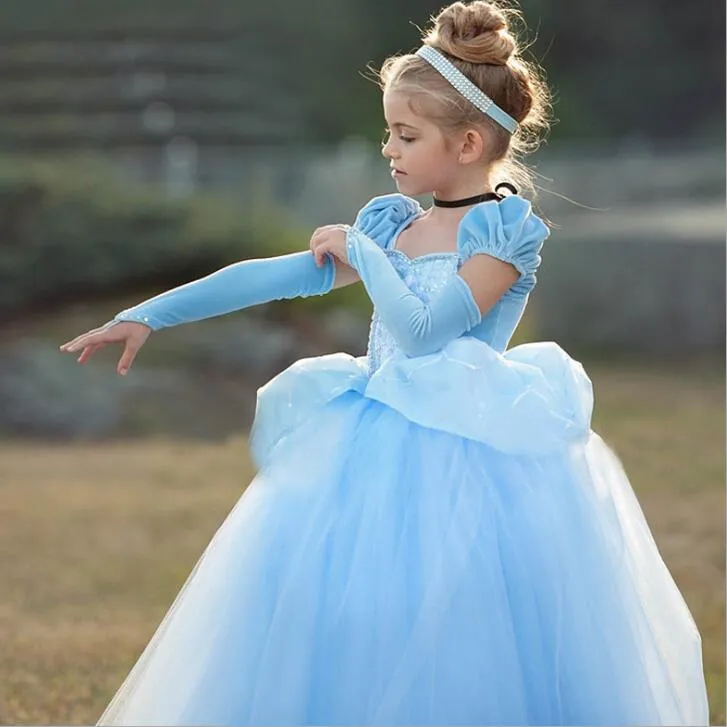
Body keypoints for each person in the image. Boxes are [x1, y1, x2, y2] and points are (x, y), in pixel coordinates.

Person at [59, 2, 709, 725]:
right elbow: (269, 275)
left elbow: (427, 331)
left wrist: (364, 255)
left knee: (455, 629)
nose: (388, 149)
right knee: (341, 621)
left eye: (405, 134)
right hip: (367, 446)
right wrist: (149, 312)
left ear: (466, 144)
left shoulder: (504, 229)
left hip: (469, 459)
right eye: (388, 132)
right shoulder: (396, 222)